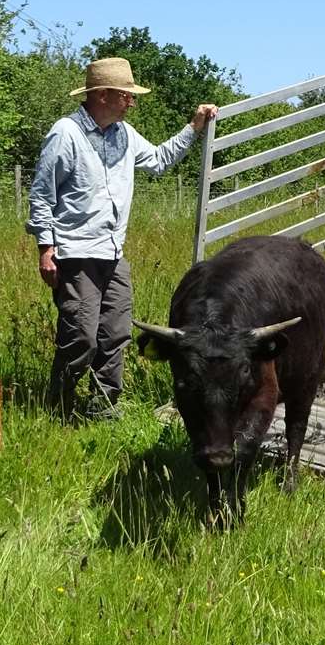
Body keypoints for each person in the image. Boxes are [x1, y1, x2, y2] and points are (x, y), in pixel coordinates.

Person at [27, 57, 219, 420]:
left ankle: (103, 406)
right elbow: (41, 194)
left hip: (112, 253)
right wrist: (46, 247)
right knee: (81, 335)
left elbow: (160, 160)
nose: (132, 101)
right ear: (101, 95)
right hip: (75, 252)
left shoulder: (124, 135)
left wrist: (194, 128)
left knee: (115, 333)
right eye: (125, 95)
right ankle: (60, 406)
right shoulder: (66, 133)